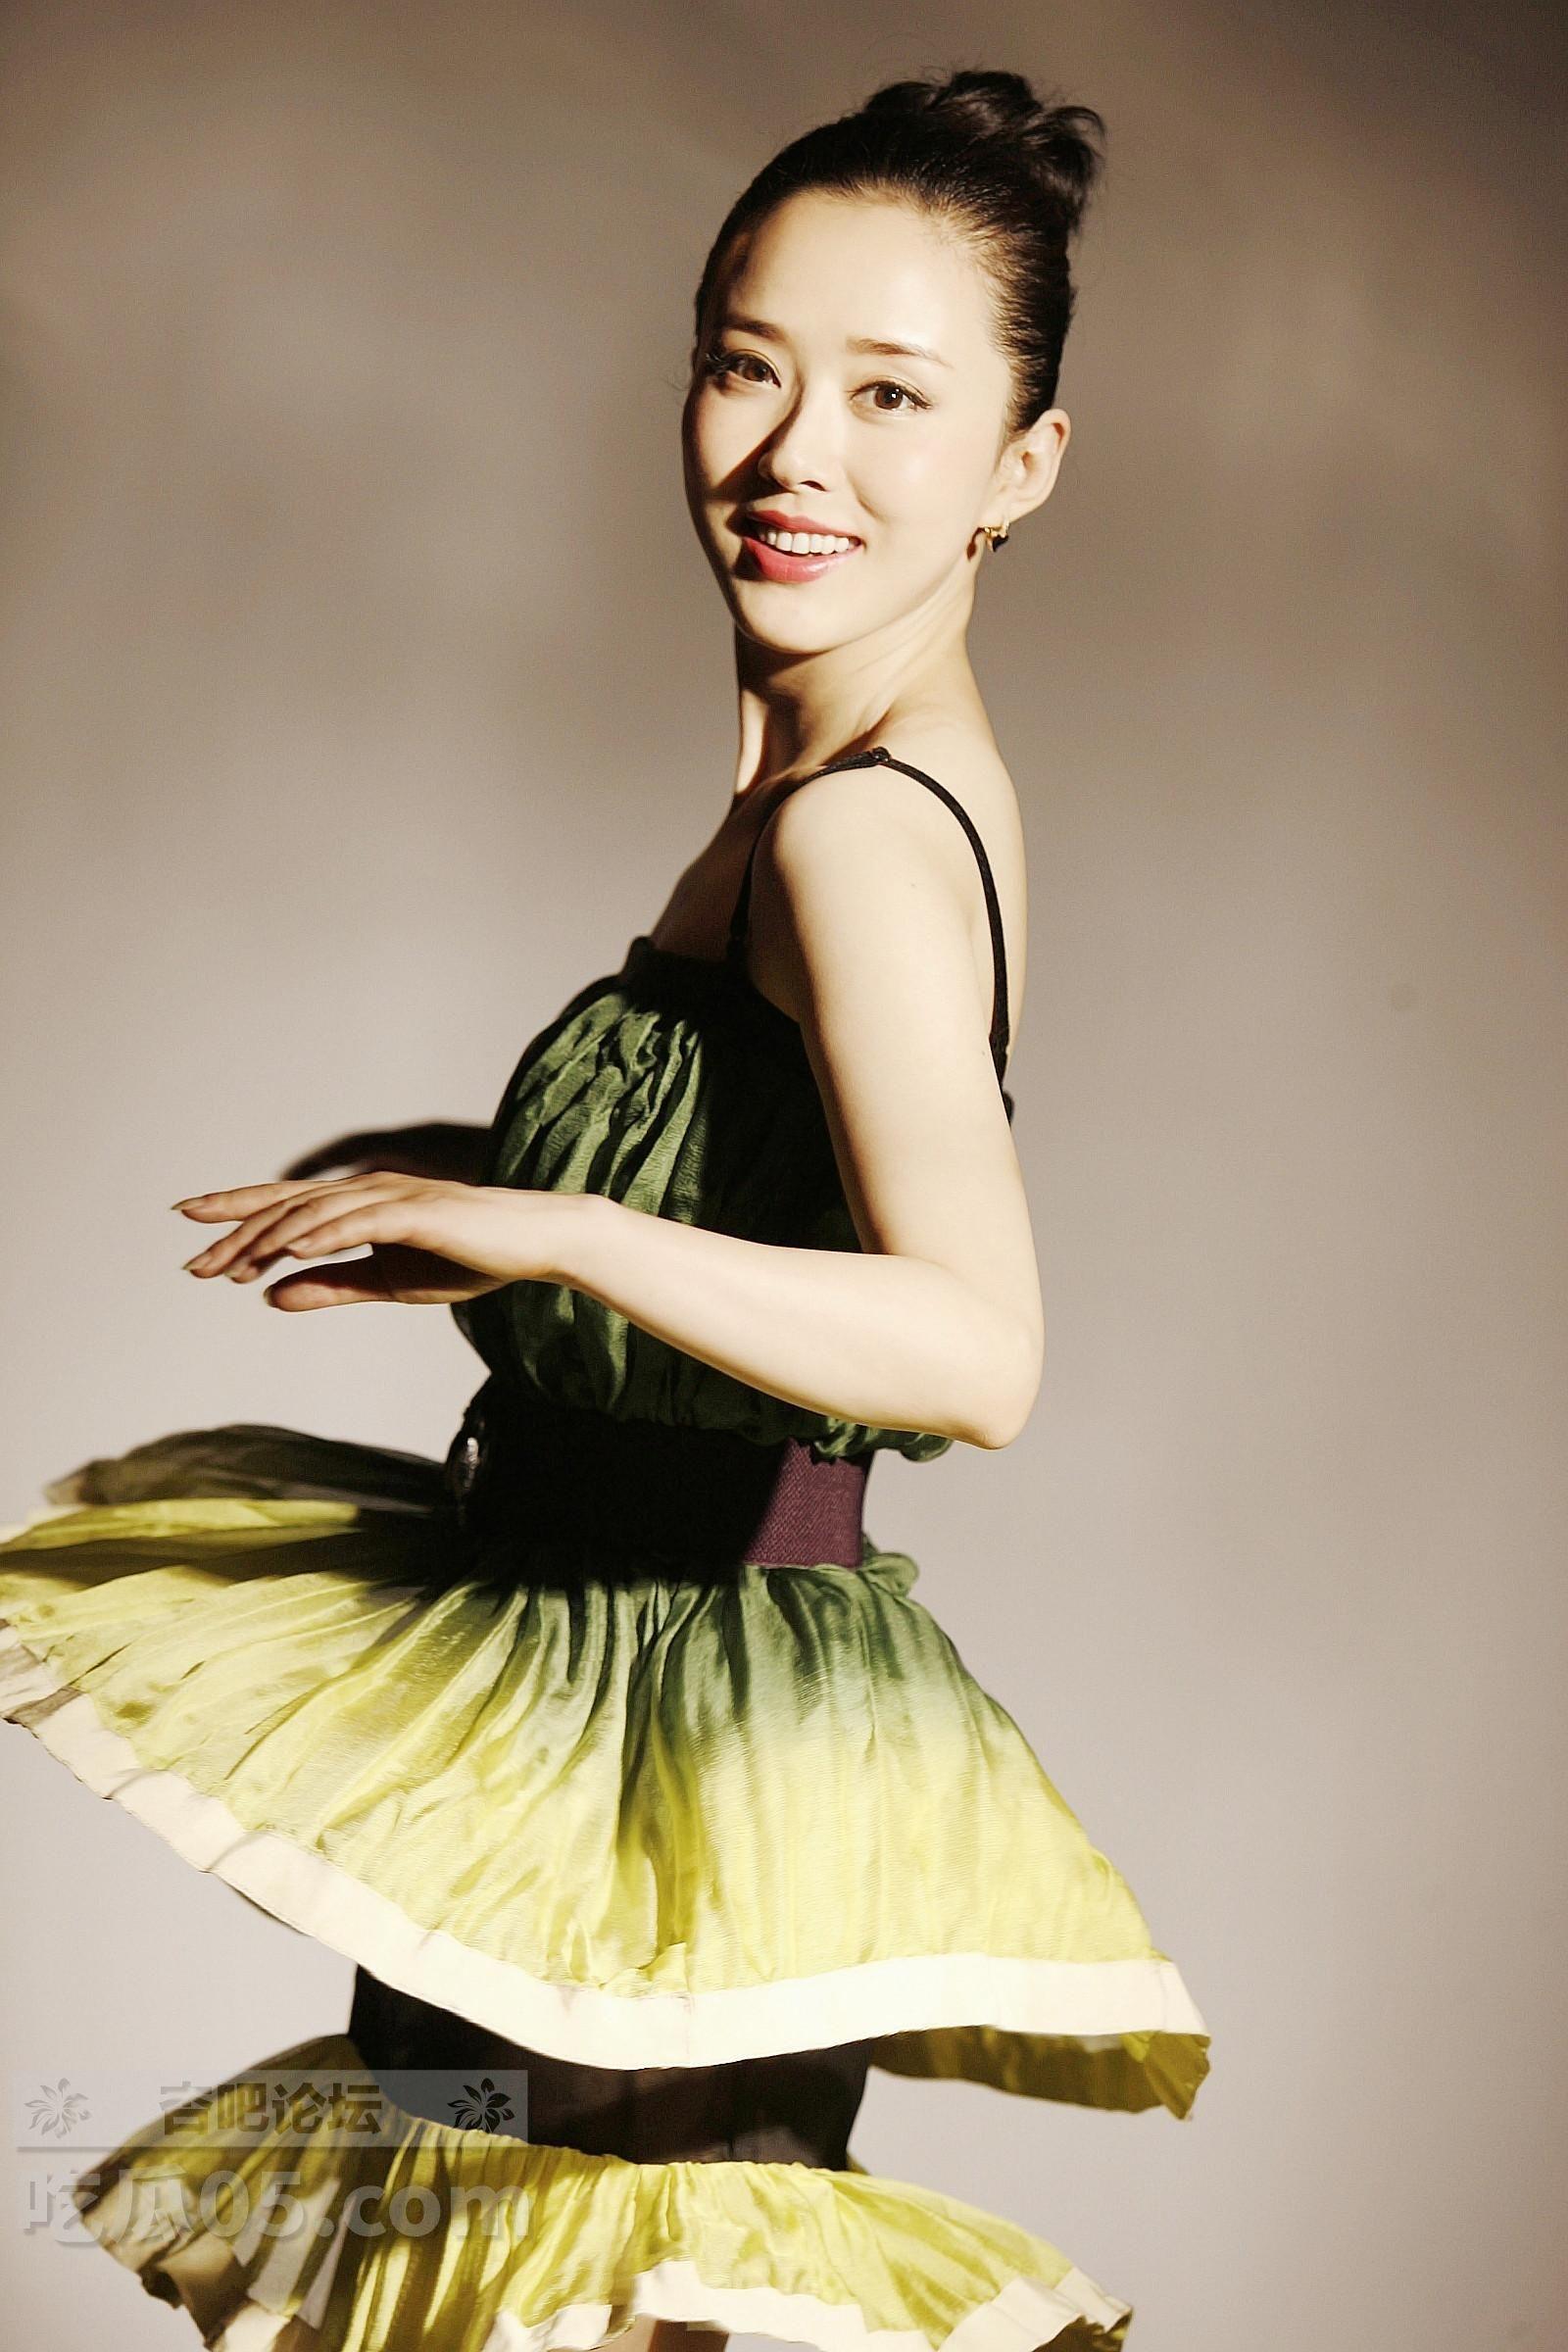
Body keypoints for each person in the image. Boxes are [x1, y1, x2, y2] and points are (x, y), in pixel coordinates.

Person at [0, 66, 1210, 2352]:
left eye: (890, 394)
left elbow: (971, 1349)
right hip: (587, 1720)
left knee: (567, 2284)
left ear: (1018, 467)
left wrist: (556, 1240)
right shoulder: (817, 799)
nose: (794, 454)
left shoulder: (859, 834)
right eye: (748, 366)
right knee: (480, 2254)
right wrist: (478, 1186)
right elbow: (766, 1170)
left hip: (668, 1760)